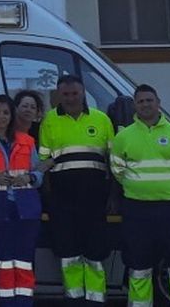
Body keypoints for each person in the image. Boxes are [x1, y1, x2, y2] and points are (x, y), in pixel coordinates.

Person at [111, 85, 170, 307]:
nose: (145, 104)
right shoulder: (123, 137)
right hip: (137, 211)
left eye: (149, 100)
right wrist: (140, 189)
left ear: (158, 102)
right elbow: (118, 171)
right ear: (135, 105)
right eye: (140, 101)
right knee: (139, 268)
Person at [37, 75, 114, 307]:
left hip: (95, 201)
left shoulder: (101, 119)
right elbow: (44, 161)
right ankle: (74, 300)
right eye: (66, 94)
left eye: (75, 93)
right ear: (59, 95)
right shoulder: (49, 120)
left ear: (83, 94)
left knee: (95, 255)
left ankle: (96, 301)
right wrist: (49, 200)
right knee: (68, 255)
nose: (70, 98)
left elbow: (113, 162)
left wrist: (113, 197)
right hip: (62, 201)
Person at [0, 95, 41, 307]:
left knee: (24, 262)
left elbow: (38, 174)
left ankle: (24, 303)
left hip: (26, 208)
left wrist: (30, 177)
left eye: (6, 112)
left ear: (12, 114)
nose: (1, 116)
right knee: (4, 262)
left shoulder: (27, 140)